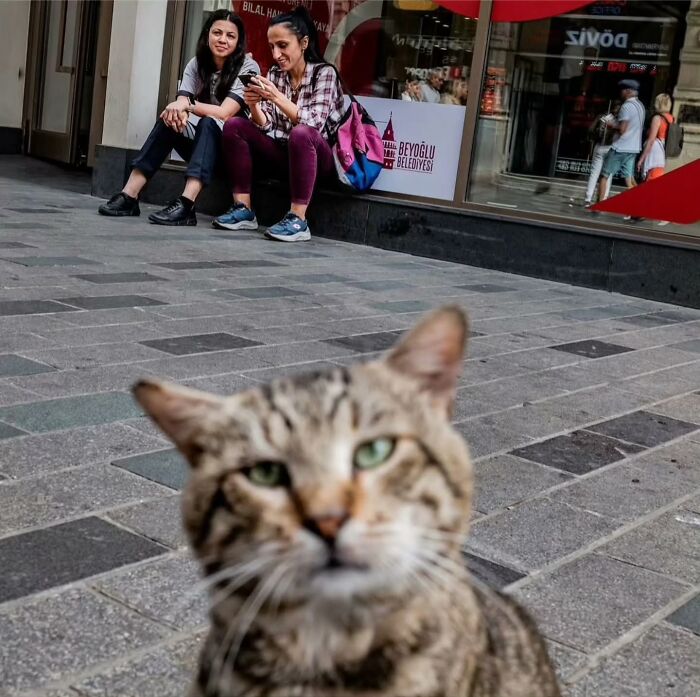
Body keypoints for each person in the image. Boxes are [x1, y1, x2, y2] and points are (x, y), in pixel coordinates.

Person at [98, 10, 258, 226]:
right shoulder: (196, 63)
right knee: (170, 119)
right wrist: (178, 110)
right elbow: (180, 104)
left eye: (230, 35)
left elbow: (224, 113)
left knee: (210, 121)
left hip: (230, 155)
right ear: (207, 35)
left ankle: (186, 204)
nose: (222, 39)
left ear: (239, 42)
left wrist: (186, 104)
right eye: (217, 33)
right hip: (203, 149)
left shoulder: (248, 67)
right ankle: (130, 195)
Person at [214, 6, 344, 242]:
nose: (275, 54)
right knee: (235, 125)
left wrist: (276, 97)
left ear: (303, 43)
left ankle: (298, 219)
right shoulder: (275, 74)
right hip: (284, 155)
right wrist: (253, 104)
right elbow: (267, 125)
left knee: (302, 133)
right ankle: (243, 209)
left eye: (282, 46)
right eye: (272, 47)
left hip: (317, 160)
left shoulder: (325, 74)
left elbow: (315, 124)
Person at [596, 79, 645, 212]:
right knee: (629, 180)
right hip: (633, 148)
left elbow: (622, 129)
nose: (621, 92)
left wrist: (611, 124)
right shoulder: (640, 106)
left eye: (622, 90)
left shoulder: (626, 106)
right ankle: (639, 207)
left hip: (620, 148)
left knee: (604, 176)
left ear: (628, 91)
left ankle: (599, 206)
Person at [583, 101, 619, 207]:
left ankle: (588, 198)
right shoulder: (618, 120)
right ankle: (603, 199)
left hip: (599, 146)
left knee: (594, 173)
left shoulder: (602, 116)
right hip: (611, 147)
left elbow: (590, 130)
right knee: (608, 175)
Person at [638, 93, 673, 181]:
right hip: (665, 153)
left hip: (656, 155)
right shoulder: (672, 118)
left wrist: (641, 159)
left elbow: (651, 141)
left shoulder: (657, 118)